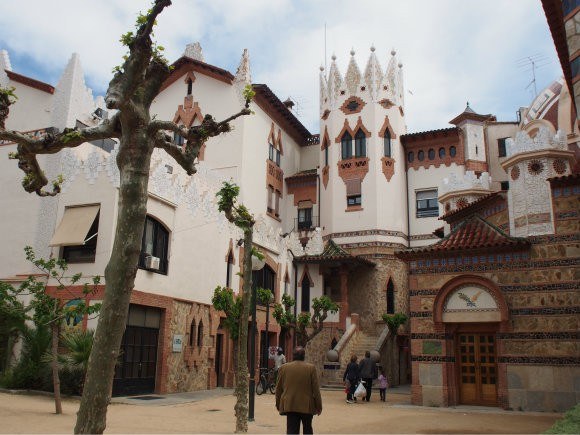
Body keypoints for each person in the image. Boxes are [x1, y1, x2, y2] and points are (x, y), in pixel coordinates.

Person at [275, 346, 322, 434]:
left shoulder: (283, 368)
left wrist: (278, 404)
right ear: (304, 356)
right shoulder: (311, 368)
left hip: (290, 404)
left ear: (293, 356)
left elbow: (278, 389)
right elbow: (316, 390)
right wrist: (319, 406)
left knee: (292, 431)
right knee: (307, 430)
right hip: (307, 406)